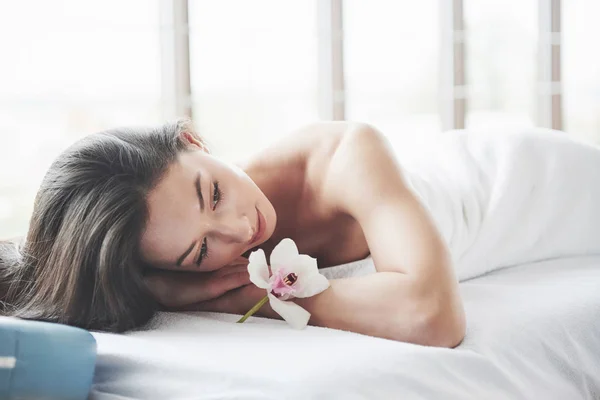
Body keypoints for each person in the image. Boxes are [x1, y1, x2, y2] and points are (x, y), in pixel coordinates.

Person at [8, 118, 597, 347]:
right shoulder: (162, 263)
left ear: (193, 142)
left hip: (542, 184)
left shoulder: (340, 154)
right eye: (200, 251)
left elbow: (433, 317)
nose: (240, 228)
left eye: (211, 191)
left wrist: (255, 298)